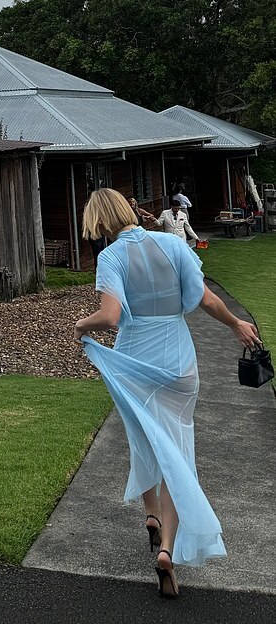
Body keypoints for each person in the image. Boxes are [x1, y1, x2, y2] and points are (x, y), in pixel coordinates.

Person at [74, 188, 260, 598]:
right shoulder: (171, 244)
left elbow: (111, 316)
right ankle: (167, 550)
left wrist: (81, 327)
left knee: (142, 437)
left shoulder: (111, 257)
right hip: (177, 361)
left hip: (135, 360)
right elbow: (205, 299)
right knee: (177, 447)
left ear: (100, 223)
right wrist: (236, 325)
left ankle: (151, 514)